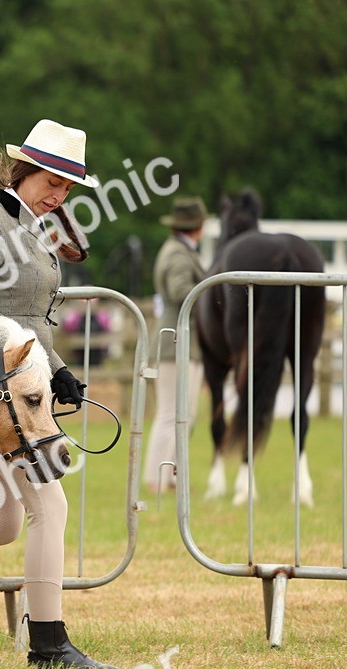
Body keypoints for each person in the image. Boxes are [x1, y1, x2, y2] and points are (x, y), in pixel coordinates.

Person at [0, 119, 116, 669]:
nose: (60, 194)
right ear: (24, 170)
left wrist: (56, 370)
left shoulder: (36, 227)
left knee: (1, 523)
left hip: (25, 386)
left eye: (68, 186)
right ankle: (49, 643)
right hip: (0, 396)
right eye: (53, 180)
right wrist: (18, 369)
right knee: (49, 506)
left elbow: (29, 315)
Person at [144, 196, 208, 493]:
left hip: (178, 339)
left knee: (182, 412)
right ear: (199, 226)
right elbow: (181, 290)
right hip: (176, 340)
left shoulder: (178, 250)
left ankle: (167, 474)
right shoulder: (180, 255)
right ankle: (158, 476)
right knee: (172, 412)